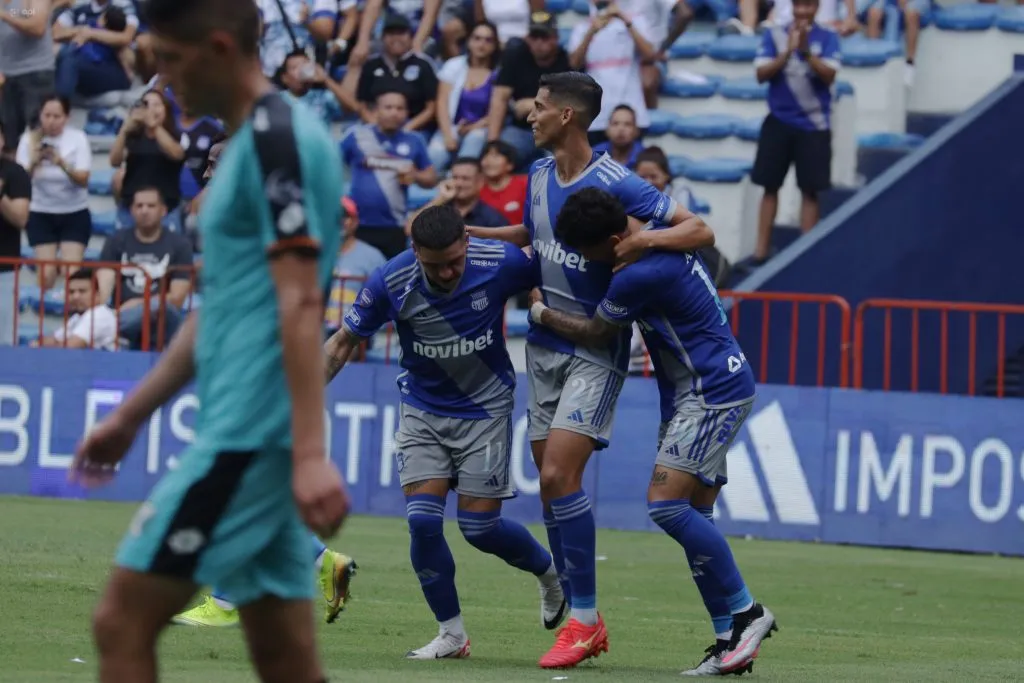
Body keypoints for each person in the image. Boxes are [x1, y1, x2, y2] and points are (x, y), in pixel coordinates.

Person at [71, 2, 350, 683]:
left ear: (220, 48)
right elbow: (218, 309)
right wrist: (131, 415)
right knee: (286, 658)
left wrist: (309, 452)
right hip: (250, 431)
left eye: (169, 59)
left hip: (248, 440)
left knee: (121, 620)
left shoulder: (278, 142)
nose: (161, 80)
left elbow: (301, 297)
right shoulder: (248, 145)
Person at [475, 71, 715, 669]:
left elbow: (700, 230)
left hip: (594, 347)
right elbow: (531, 238)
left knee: (557, 475)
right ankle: (583, 613)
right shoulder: (536, 176)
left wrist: (642, 245)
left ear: (568, 117)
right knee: (551, 488)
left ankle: (583, 619)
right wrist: (466, 235)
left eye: (539, 108)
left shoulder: (616, 181)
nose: (529, 116)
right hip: (543, 348)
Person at [529, 187, 778, 676]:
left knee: (666, 506)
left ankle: (748, 613)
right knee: (697, 516)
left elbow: (597, 332)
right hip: (700, 387)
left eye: (591, 253)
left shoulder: (640, 274)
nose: (586, 262)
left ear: (618, 238)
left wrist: (538, 311)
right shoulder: (662, 243)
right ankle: (728, 636)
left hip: (711, 391)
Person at [322, 204, 566, 660]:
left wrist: (543, 306)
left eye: (456, 260)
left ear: (467, 244)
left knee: (479, 528)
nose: (449, 272)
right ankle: (451, 635)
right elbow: (340, 345)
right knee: (422, 522)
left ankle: (550, 575)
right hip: (422, 409)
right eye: (435, 265)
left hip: (486, 407)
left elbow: (554, 270)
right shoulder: (390, 282)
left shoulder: (500, 262)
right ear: (414, 251)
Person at [751, 0, 839, 264]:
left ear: (816, 7)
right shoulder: (775, 34)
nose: (802, 11)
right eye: (798, 5)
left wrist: (807, 53)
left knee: (810, 190)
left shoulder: (828, 37)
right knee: (769, 187)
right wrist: (787, 53)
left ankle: (806, 256)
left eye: (808, 5)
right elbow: (760, 74)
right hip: (778, 120)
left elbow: (830, 75)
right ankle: (760, 253)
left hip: (814, 126)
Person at [17, 94, 92, 290]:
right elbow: (20, 181)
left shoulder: (78, 138)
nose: (51, 121)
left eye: (57, 116)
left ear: (67, 117)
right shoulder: (28, 139)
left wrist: (61, 163)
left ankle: (73, 315)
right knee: (46, 274)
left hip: (74, 211)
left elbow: (83, 179)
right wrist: (34, 161)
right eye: (47, 115)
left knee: (72, 273)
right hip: (41, 211)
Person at [428, 20, 501, 172]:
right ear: (468, 41)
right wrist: (448, 135)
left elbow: (498, 111)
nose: (482, 44)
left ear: (495, 45)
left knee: (474, 141)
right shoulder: (453, 65)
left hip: (480, 128)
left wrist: (472, 127)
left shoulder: (499, 74)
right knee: (434, 158)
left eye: (488, 40)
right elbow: (441, 103)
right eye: (477, 38)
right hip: (451, 127)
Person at [30, 267, 118, 350]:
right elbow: (53, 339)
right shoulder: (77, 317)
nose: (76, 296)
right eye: (71, 292)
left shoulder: (98, 314)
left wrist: (45, 345)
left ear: (97, 295)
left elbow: (70, 347)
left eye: (82, 291)